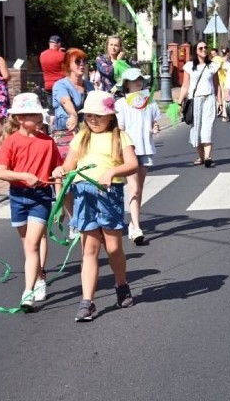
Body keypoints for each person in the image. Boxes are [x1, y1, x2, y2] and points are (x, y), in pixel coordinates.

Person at [52, 90, 138, 322]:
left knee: (113, 248)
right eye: (89, 115)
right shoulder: (81, 137)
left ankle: (122, 285)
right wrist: (62, 170)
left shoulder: (120, 137)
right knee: (89, 250)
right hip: (83, 196)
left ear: (110, 116)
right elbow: (70, 164)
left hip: (108, 195)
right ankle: (87, 301)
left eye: (97, 115)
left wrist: (113, 171)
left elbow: (132, 164)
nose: (92, 119)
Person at [0, 93, 61, 311]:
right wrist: (24, 176)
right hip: (18, 197)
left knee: (32, 243)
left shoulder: (48, 142)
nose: (39, 118)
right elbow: (1, 172)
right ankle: (39, 276)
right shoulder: (11, 142)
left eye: (40, 114)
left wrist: (58, 195)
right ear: (20, 118)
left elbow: (57, 170)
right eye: (33, 114)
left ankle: (27, 292)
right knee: (27, 245)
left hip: (41, 196)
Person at [115, 68, 161, 245]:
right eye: (134, 80)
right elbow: (120, 129)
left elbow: (154, 122)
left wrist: (154, 128)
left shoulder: (149, 101)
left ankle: (134, 224)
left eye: (140, 79)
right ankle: (136, 227)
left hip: (145, 148)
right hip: (130, 150)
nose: (138, 82)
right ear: (126, 84)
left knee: (139, 189)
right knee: (133, 189)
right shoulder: (121, 104)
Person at [177, 41, 220, 167]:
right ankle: (201, 157)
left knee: (207, 127)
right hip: (195, 100)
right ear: (196, 51)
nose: (204, 50)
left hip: (209, 99)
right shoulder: (189, 66)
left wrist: (220, 102)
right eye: (200, 48)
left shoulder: (213, 66)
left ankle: (207, 157)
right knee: (197, 128)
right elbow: (185, 86)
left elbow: (217, 86)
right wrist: (179, 102)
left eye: (205, 47)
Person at [51, 48, 94, 160]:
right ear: (68, 65)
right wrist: (73, 115)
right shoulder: (60, 85)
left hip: (86, 133)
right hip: (65, 133)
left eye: (84, 61)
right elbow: (65, 101)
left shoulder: (89, 85)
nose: (82, 64)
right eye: (77, 61)